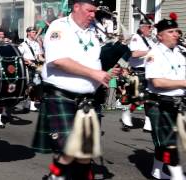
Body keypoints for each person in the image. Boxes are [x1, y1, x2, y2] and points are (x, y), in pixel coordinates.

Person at [32, 1, 119, 179]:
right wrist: (94, 73)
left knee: (85, 154)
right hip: (62, 97)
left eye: (95, 11)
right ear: (76, 7)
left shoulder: (96, 30)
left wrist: (108, 69)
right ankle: (55, 176)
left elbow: (96, 59)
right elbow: (58, 61)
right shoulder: (59, 27)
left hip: (88, 100)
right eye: (89, 11)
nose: (93, 15)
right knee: (69, 151)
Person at [145, 17, 186, 180]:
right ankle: (178, 176)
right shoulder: (154, 54)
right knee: (168, 141)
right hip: (160, 102)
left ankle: (156, 171)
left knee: (166, 140)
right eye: (170, 32)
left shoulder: (180, 52)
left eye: (176, 31)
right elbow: (157, 81)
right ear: (160, 36)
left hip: (179, 103)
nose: (175, 34)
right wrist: (184, 83)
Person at [121, 19, 155, 132]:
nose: (151, 29)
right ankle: (127, 113)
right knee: (138, 98)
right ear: (143, 27)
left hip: (150, 72)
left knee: (149, 98)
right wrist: (148, 51)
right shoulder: (136, 38)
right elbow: (134, 53)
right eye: (150, 27)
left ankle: (148, 121)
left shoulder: (150, 40)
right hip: (138, 72)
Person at [18, 26, 44, 112]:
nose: (35, 34)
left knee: (36, 85)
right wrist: (27, 61)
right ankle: (25, 103)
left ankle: (32, 105)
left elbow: (39, 56)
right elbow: (19, 56)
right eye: (33, 32)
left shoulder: (36, 44)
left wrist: (45, 60)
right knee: (29, 86)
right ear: (28, 33)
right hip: (27, 66)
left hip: (36, 65)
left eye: (35, 32)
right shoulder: (23, 44)